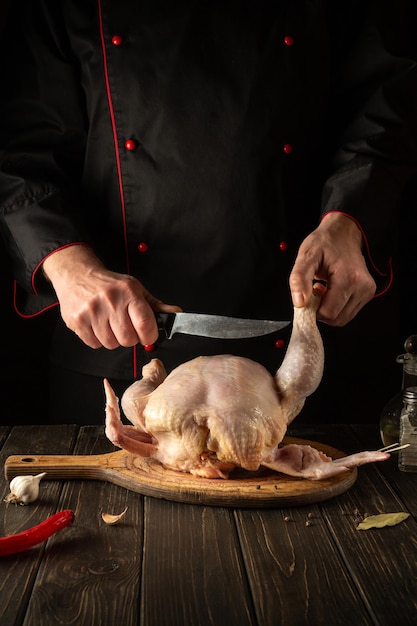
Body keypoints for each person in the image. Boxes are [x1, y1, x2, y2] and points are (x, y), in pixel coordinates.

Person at [0, 0, 416, 425]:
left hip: (303, 359)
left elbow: (387, 109)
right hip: (116, 353)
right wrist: (70, 268)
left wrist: (347, 223)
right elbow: (20, 152)